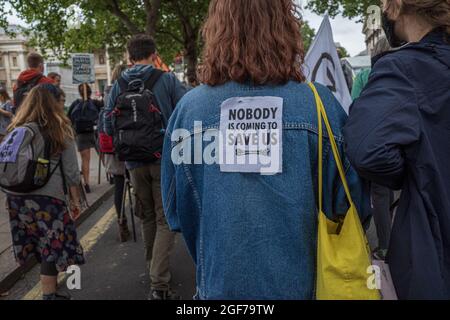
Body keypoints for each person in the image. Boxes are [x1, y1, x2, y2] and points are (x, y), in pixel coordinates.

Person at [161, 0, 369, 300]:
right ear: (285, 27)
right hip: (307, 288)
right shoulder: (320, 106)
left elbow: (176, 214)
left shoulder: (188, 111)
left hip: (218, 291)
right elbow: (352, 205)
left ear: (216, 30)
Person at [344, 0, 450, 300]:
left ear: (398, 7)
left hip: (435, 251)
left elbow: (367, 150)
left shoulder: (405, 69)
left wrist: (414, 170)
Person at [104, 34, 187, 300]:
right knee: (165, 220)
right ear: (154, 54)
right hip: (163, 159)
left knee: (148, 217)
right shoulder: (168, 80)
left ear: (129, 57)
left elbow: (107, 125)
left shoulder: (117, 84)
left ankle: (153, 268)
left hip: (132, 161)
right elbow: (185, 114)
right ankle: (159, 282)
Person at [3, 84, 84, 300]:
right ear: (54, 102)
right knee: (52, 246)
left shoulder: (17, 128)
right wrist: (75, 201)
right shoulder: (60, 128)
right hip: (47, 199)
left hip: (16, 198)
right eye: (61, 101)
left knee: (38, 244)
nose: (63, 105)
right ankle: (49, 294)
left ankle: (51, 290)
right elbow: (72, 173)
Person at [351, 36, 394, 261]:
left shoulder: (364, 77)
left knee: (378, 193)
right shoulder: (404, 74)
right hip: (400, 140)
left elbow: (355, 107)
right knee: (394, 193)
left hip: (373, 143)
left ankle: (385, 246)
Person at [100, 64, 129, 242]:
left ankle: (121, 220)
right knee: (135, 180)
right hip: (131, 142)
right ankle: (142, 212)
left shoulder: (107, 92)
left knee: (118, 185)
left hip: (112, 145)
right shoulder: (129, 90)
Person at [68, 84, 103, 194]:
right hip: (95, 132)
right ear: (90, 92)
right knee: (103, 154)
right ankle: (111, 175)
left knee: (85, 160)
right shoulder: (95, 103)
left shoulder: (75, 104)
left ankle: (86, 183)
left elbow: (68, 118)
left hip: (81, 134)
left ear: (79, 92)